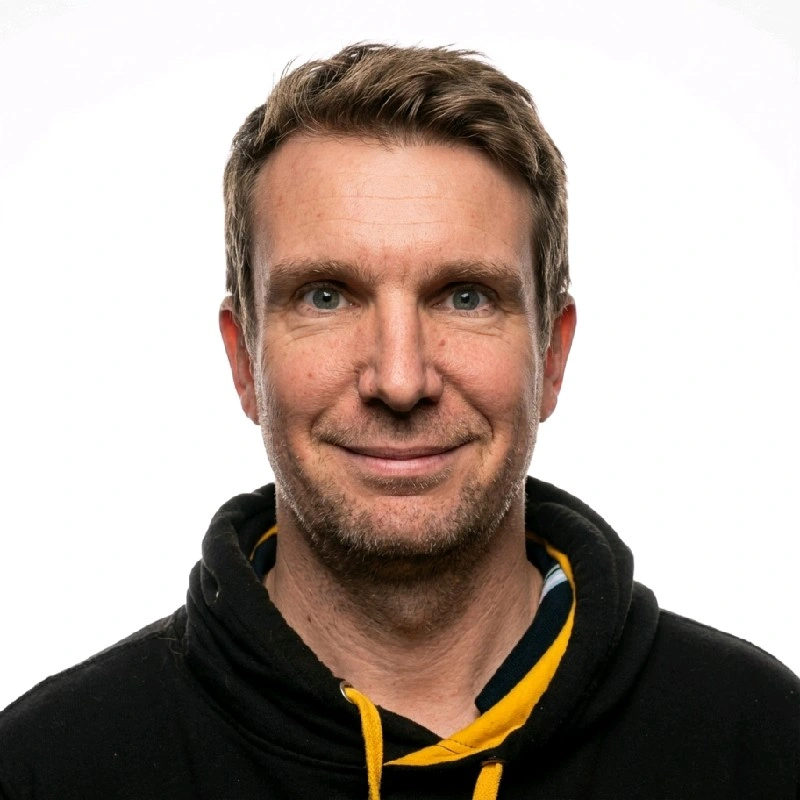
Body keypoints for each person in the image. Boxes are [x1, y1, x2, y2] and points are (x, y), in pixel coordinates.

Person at [0, 42, 797, 800]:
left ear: (551, 356)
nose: (401, 379)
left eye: (465, 297)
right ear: (244, 360)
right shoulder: (45, 770)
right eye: (326, 297)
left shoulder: (763, 745)